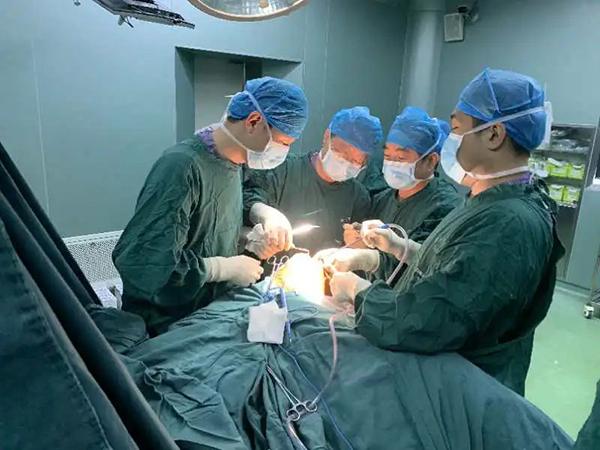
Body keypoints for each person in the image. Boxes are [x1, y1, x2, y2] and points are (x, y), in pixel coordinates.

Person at [326, 68, 564, 395]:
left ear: (494, 135)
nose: (451, 139)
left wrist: (357, 291)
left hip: (460, 392)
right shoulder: (492, 201)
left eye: (455, 129)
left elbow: (428, 321)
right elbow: (458, 270)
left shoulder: (508, 223)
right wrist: (400, 247)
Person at [113, 77, 309, 335]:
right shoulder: (181, 167)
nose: (284, 151)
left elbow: (212, 225)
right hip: (165, 324)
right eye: (283, 142)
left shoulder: (236, 165)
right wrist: (220, 268)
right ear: (253, 121)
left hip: (207, 312)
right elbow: (144, 263)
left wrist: (253, 234)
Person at [338, 107, 461, 283]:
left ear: (431, 160)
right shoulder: (382, 199)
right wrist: (360, 240)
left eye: (401, 158)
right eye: (387, 156)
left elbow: (428, 267)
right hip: (372, 296)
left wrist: (369, 258)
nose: (391, 164)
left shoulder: (446, 207)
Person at [243, 106, 382, 258]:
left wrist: (358, 247)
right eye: (342, 153)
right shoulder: (283, 170)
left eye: (355, 161)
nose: (346, 163)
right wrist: (265, 214)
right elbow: (248, 199)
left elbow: (357, 251)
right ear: (327, 137)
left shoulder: (358, 197)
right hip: (272, 270)